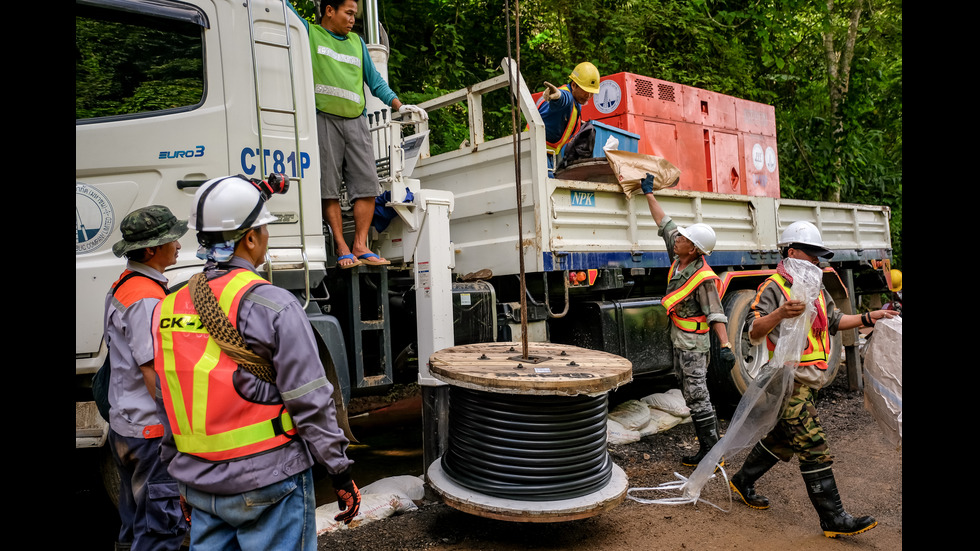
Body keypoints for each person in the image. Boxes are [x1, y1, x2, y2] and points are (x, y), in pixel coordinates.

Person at [152, 176, 360, 550]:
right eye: (264, 229)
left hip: (200, 481)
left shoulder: (168, 307)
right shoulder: (274, 306)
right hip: (270, 479)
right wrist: (340, 471)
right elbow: (310, 400)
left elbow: (168, 402)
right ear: (250, 238)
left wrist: (179, 477)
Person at [728, 220, 898, 538]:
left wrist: (870, 317)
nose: (818, 261)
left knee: (781, 440)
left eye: (820, 256)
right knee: (813, 444)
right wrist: (780, 314)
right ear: (792, 252)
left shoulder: (815, 286)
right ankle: (834, 519)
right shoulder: (774, 286)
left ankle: (741, 481)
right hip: (786, 379)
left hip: (810, 379)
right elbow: (752, 331)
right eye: (812, 254)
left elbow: (834, 321)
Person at [310, 0, 428, 268]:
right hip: (323, 118)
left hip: (356, 121)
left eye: (354, 14)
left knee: (367, 186)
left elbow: (375, 82)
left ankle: (360, 245)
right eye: (348, 13)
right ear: (329, 10)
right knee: (328, 188)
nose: (353, 19)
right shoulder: (309, 34)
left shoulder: (357, 43)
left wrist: (399, 105)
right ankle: (342, 247)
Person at [105, 205, 190, 551]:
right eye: (173, 239)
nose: (179, 245)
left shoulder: (125, 284)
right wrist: (178, 427)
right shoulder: (145, 298)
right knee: (161, 530)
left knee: (135, 523)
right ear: (152, 249)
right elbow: (152, 369)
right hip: (149, 430)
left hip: (126, 425)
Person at [641, 176, 735, 467]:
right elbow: (665, 223)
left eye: (683, 238)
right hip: (680, 339)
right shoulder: (679, 255)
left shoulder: (703, 279)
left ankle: (712, 451)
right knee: (688, 392)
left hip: (694, 345)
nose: (677, 238)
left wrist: (726, 344)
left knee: (696, 394)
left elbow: (716, 313)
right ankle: (707, 449)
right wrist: (649, 194)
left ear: (693, 249)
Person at [535, 61, 600, 173]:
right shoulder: (567, 96)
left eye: (591, 93)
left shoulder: (576, 103)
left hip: (546, 154)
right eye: (586, 91)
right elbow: (563, 99)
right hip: (536, 151)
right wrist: (557, 96)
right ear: (574, 85)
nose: (588, 96)